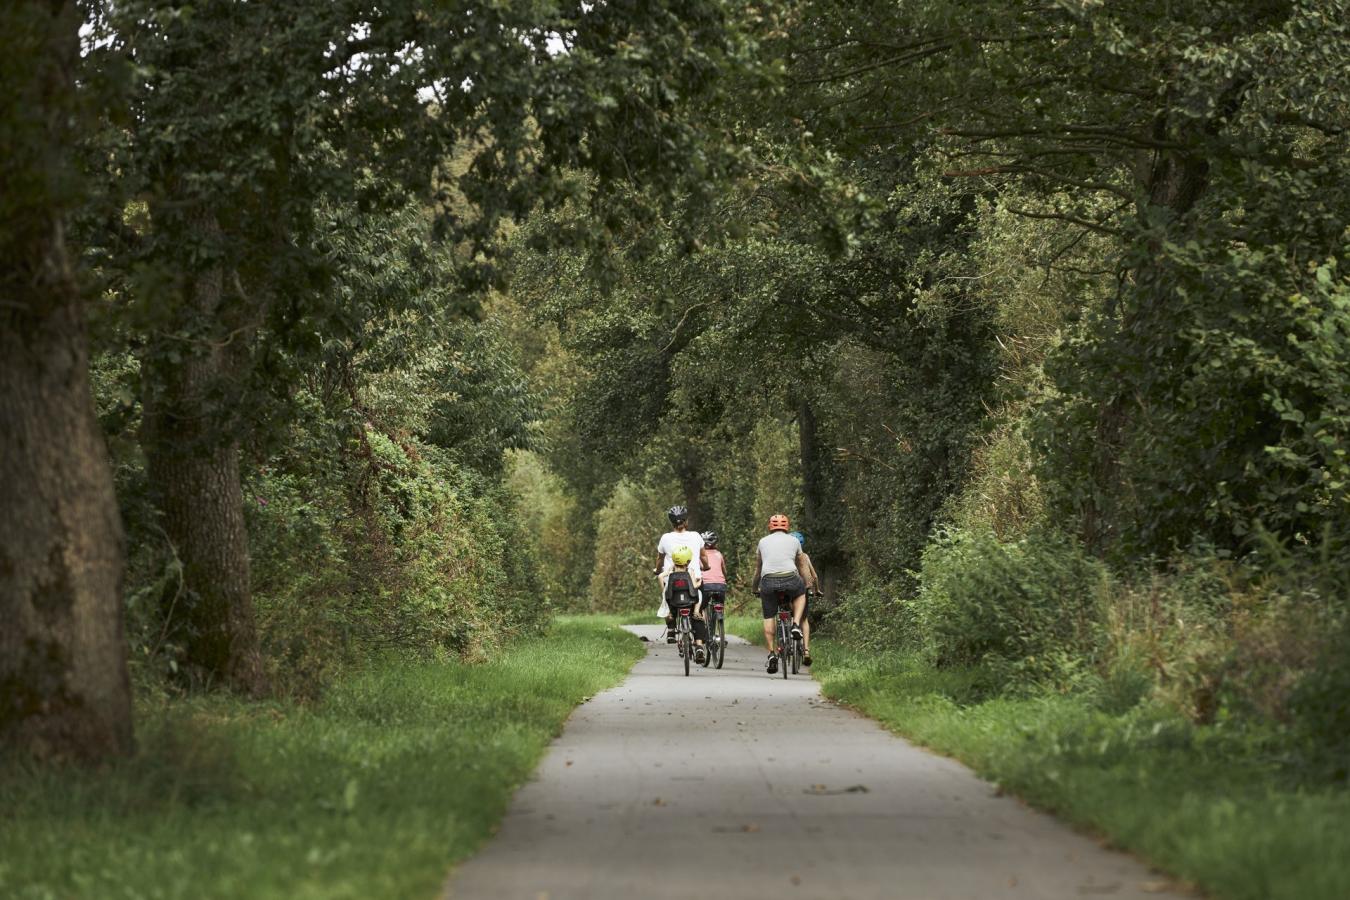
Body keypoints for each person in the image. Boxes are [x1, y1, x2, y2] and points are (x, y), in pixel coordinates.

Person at [750, 513, 809, 674]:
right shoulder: (795, 541)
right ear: (787, 526)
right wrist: (807, 583)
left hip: (768, 581)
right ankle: (796, 624)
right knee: (801, 594)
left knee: (769, 616)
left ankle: (771, 654)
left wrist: (754, 588)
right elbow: (802, 566)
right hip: (790, 578)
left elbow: (758, 569)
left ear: (770, 527)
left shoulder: (762, 542)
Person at [652, 505, 704, 642]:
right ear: (686, 521)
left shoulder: (665, 538)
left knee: (666, 596)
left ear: (672, 522)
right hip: (693, 578)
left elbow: (660, 559)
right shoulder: (696, 536)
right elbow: (704, 557)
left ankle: (670, 628)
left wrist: (658, 570)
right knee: (698, 606)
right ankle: (699, 644)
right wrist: (706, 566)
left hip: (673, 580)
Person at [661, 545, 708, 663]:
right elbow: (694, 586)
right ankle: (699, 646)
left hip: (674, 601)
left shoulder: (671, 571)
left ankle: (671, 616)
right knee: (700, 595)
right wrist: (699, 582)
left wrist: (664, 589)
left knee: (668, 600)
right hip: (690, 601)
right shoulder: (690, 571)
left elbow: (660, 577)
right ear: (688, 561)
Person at [789, 531, 820, 666]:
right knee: (804, 620)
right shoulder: (805, 556)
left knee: (791, 616)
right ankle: (806, 651)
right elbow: (815, 576)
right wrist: (817, 590)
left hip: (789, 588)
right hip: (804, 589)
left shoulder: (787, 556)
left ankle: (789, 643)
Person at [698, 530, 729, 634]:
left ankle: (703, 630)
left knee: (700, 608)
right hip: (720, 586)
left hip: (705, 586)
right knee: (719, 605)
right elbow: (724, 570)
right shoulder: (719, 554)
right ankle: (719, 629)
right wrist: (725, 579)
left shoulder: (700, 555)